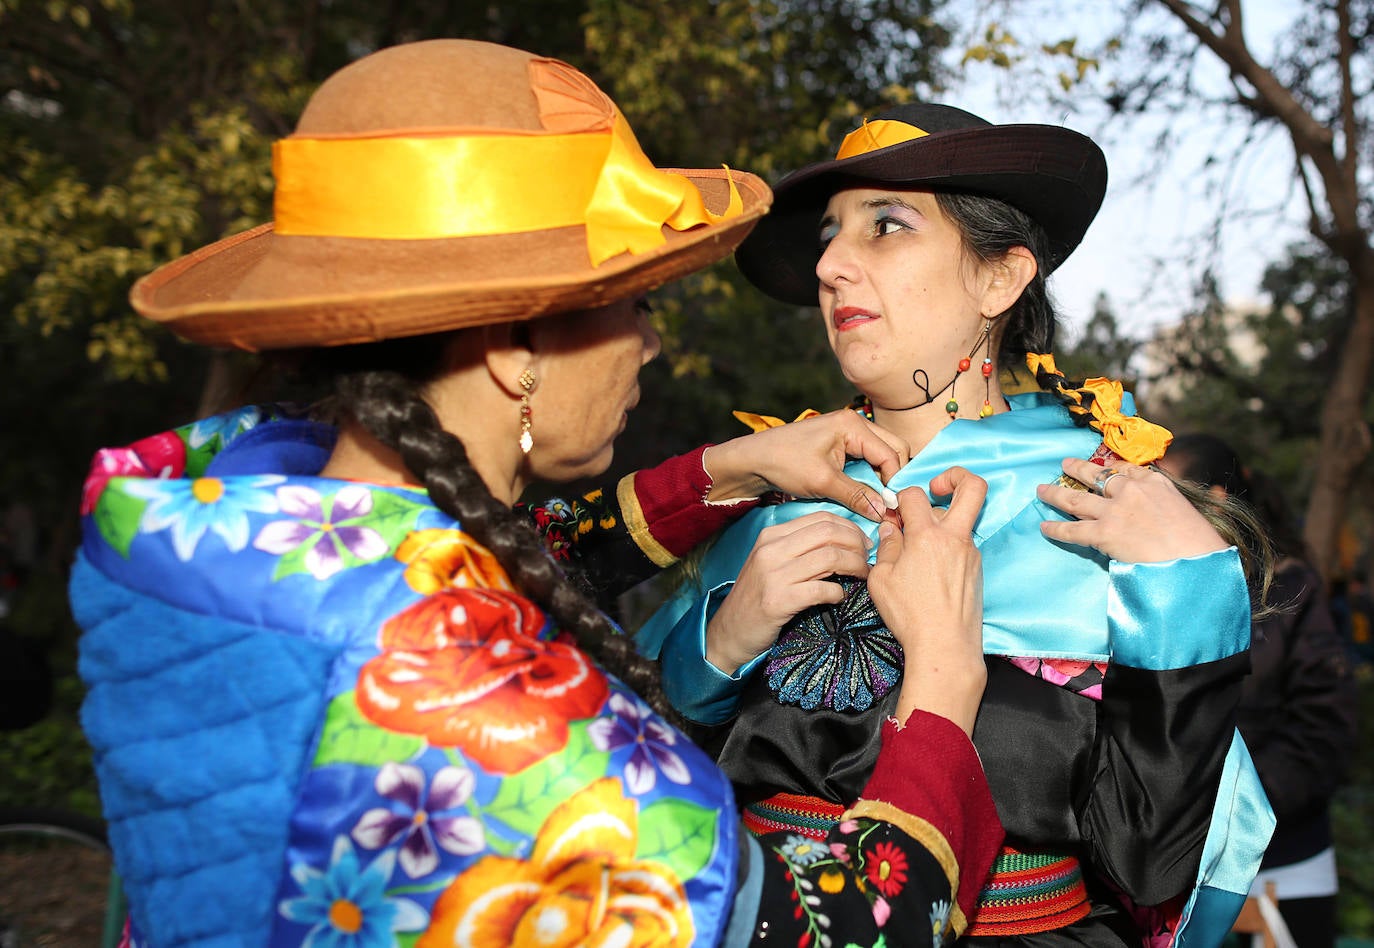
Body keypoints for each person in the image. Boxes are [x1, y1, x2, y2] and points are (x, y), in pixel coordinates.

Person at [71, 40, 1006, 948]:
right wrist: (940, 690)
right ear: (513, 350)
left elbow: (504, 557)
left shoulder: (257, 508)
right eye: (634, 302)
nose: (649, 344)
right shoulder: (485, 722)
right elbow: (837, 934)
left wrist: (733, 470)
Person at [638, 103, 1276, 948]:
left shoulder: (1108, 511)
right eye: (830, 235)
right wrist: (717, 646)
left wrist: (1189, 592)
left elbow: (1154, 867)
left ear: (1000, 279)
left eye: (886, 226)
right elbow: (623, 781)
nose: (829, 265)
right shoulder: (771, 493)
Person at [1157, 433, 1358, 948]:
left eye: (1167, 492)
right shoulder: (1155, 590)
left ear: (1215, 501)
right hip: (1173, 875)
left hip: (1283, 867)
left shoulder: (1288, 592)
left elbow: (1323, 731)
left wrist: (1231, 817)